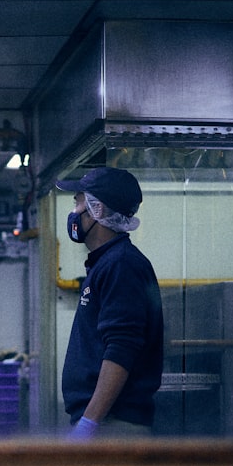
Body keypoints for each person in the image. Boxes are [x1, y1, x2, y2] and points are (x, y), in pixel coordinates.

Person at [57, 167, 164, 439]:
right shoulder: (106, 264)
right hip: (105, 424)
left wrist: (89, 423)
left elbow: (121, 349)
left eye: (78, 201)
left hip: (113, 427)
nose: (74, 211)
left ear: (98, 210)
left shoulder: (122, 265)